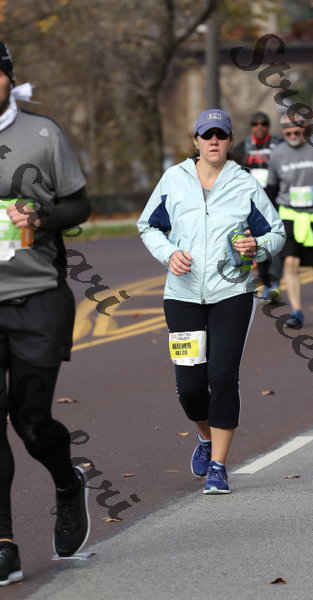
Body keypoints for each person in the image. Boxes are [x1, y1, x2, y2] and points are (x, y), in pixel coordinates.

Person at [137, 109, 285, 494]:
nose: (214, 140)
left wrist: (257, 245)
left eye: (221, 134)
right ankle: (205, 436)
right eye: (207, 135)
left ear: (230, 141)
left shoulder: (244, 183)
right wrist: (169, 253)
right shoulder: (174, 179)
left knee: (222, 378)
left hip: (232, 293)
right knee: (190, 387)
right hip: (182, 295)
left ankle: (218, 466)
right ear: (196, 141)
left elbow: (276, 233)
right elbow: (148, 225)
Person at [0, 42, 91, 585]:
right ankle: (4, 544)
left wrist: (40, 214)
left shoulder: (42, 134)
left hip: (37, 295)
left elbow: (80, 204)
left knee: (30, 421)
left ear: (9, 77)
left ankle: (66, 481)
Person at [266, 114, 313, 329]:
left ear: (305, 128)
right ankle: (297, 312)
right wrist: (269, 217)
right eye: (287, 133)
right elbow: (272, 188)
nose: (292, 136)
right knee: (290, 262)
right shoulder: (278, 154)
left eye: (296, 132)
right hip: (289, 214)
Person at [233, 111, 283, 304]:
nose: (259, 127)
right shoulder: (243, 148)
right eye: (255, 124)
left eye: (263, 124)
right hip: (253, 205)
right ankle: (266, 283)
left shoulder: (278, 145)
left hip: (276, 201)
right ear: (251, 127)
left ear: (268, 127)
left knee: (276, 244)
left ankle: (275, 284)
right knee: (257, 244)